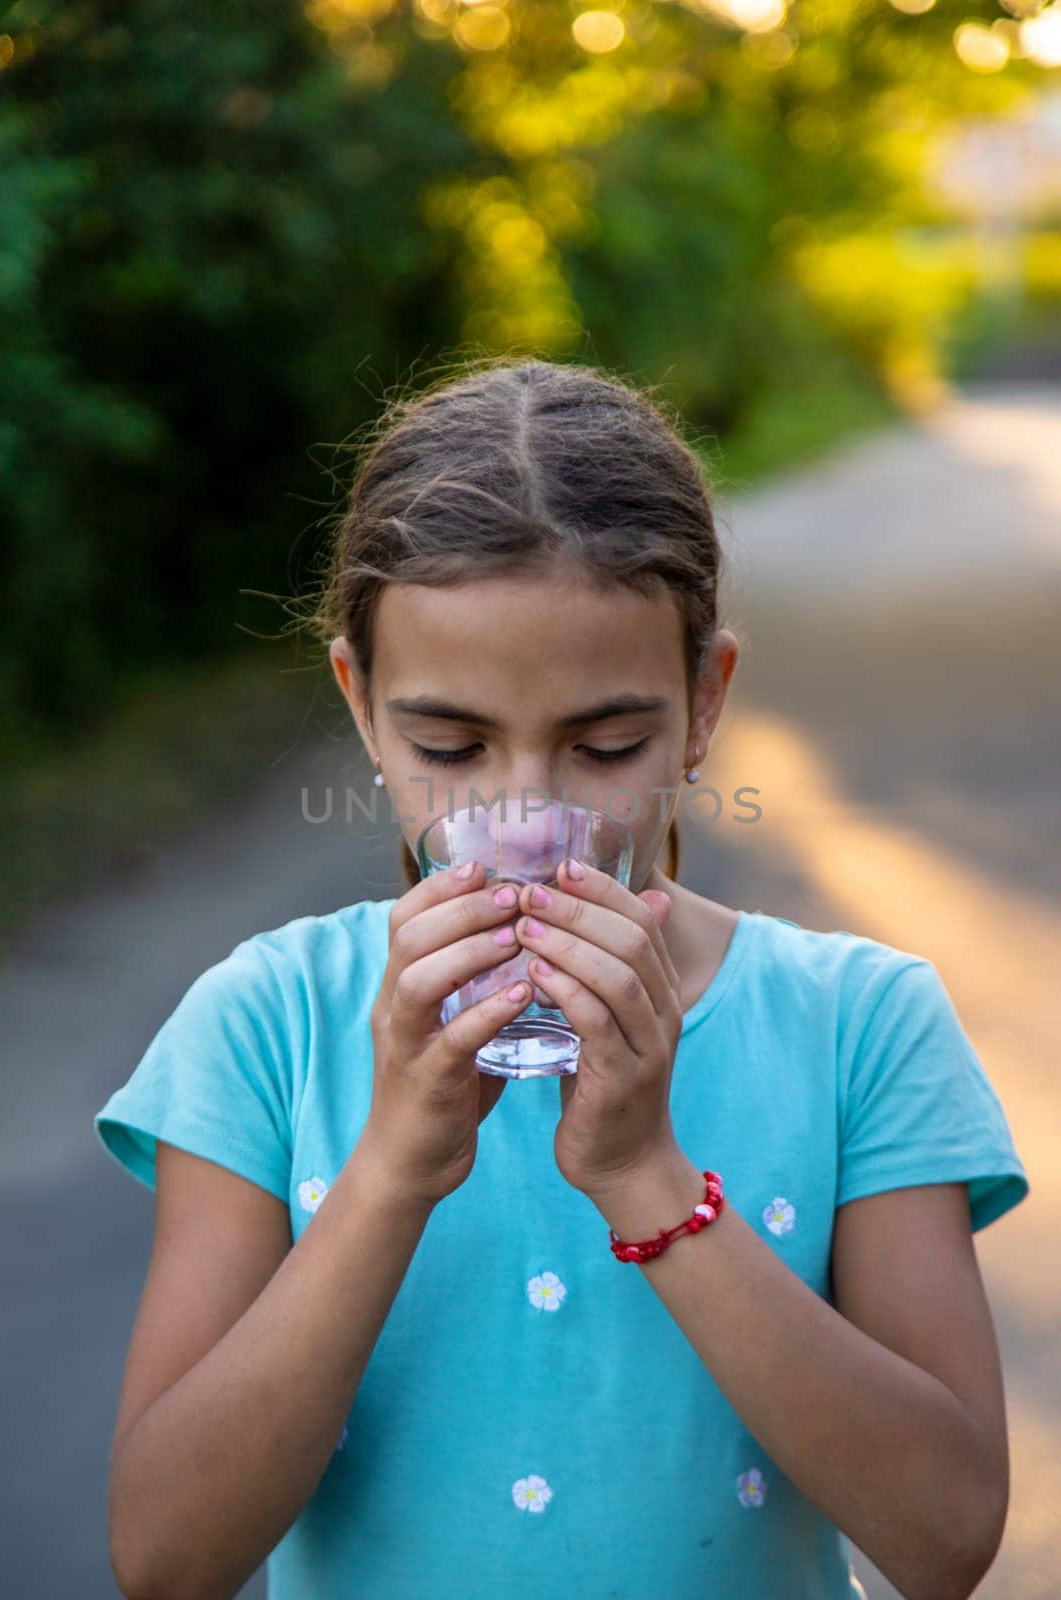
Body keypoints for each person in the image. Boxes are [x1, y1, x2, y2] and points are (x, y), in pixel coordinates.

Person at [94, 356, 1029, 1600]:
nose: (526, 820)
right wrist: (387, 1171)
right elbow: (164, 1557)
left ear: (703, 704)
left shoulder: (858, 1024)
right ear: (360, 708)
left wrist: (646, 1176)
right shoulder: (262, 1024)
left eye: (603, 745)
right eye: (449, 744)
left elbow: (944, 1537)